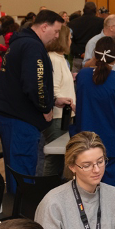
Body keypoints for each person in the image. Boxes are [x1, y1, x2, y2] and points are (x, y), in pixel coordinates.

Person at [0, 10, 63, 193]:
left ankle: (18, 211)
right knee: (22, 168)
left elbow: (21, 82)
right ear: (44, 26)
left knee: (16, 167)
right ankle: (22, 215)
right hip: (20, 117)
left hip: (11, 113)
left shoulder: (21, 42)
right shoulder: (32, 46)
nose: (57, 36)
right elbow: (34, 84)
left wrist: (53, 100)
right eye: (56, 31)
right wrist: (46, 107)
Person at [70, 37, 115, 188]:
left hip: (85, 141)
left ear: (95, 54)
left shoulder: (83, 76)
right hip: (112, 143)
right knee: (111, 192)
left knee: (86, 189)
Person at [39, 25, 76, 177]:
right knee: (54, 159)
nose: (71, 41)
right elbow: (53, 90)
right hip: (57, 116)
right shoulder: (54, 59)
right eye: (69, 38)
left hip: (64, 116)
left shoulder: (60, 58)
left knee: (60, 159)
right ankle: (48, 193)